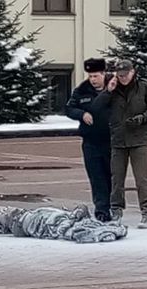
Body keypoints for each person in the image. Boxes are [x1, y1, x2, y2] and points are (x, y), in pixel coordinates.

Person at [96, 59, 147, 229]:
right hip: (117, 140)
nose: (123, 78)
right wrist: (108, 91)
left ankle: (146, 213)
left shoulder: (145, 87)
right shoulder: (112, 88)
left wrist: (142, 118)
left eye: (125, 74)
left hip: (139, 139)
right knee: (116, 179)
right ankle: (116, 212)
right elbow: (96, 108)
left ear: (133, 72)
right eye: (119, 75)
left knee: (141, 179)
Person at [65, 58, 113, 222]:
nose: (92, 80)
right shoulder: (82, 89)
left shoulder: (114, 86)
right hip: (91, 141)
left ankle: (115, 207)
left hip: (112, 140)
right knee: (97, 177)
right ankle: (102, 210)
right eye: (90, 76)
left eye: (95, 76)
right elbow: (70, 108)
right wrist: (82, 114)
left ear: (103, 74)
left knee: (112, 176)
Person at [0, 204, 128, 243]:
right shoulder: (75, 222)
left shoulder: (67, 227)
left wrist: (74, 216)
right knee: (1, 221)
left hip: (25, 220)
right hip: (27, 222)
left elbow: (76, 232)